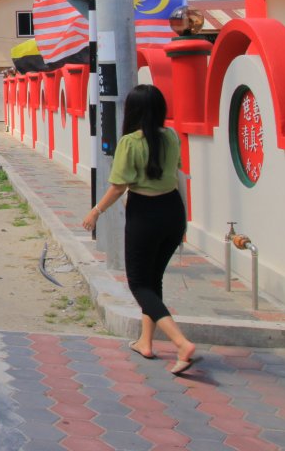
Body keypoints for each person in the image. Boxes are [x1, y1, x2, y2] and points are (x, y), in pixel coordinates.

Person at [82, 84, 197, 375]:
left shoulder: (131, 143)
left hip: (145, 215)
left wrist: (96, 211)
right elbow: (178, 171)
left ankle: (181, 343)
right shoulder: (171, 136)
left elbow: (119, 186)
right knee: (153, 279)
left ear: (132, 111)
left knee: (138, 283)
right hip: (173, 212)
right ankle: (145, 341)